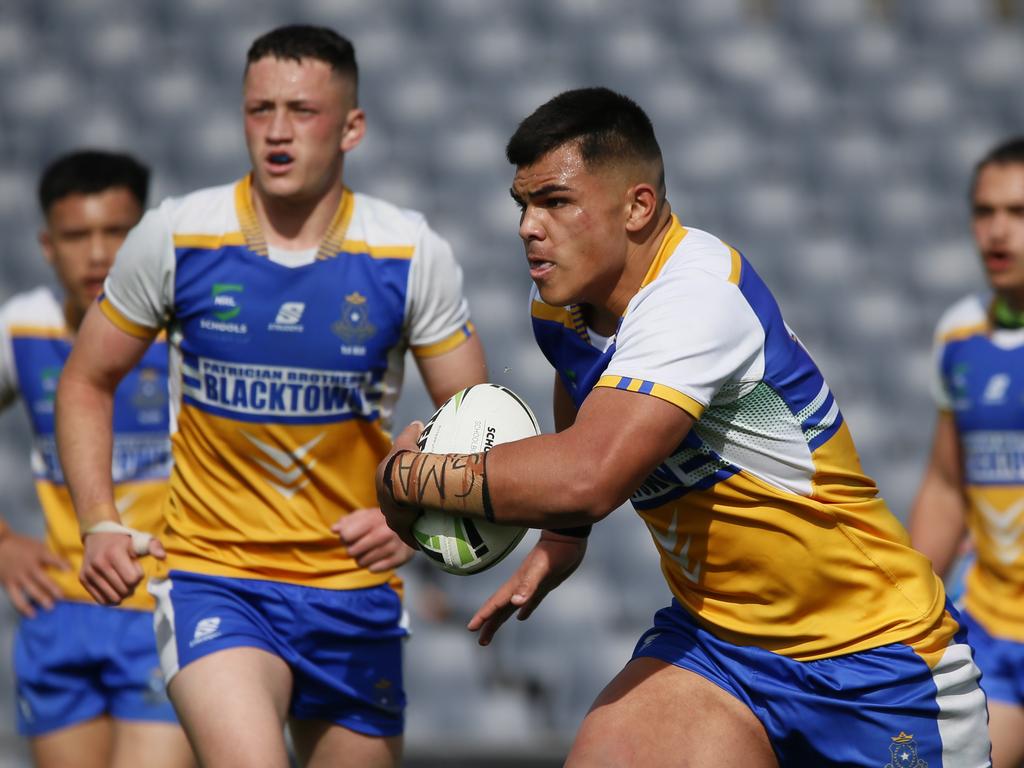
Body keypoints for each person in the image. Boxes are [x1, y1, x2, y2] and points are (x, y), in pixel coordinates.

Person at [376, 87, 992, 767]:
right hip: (719, 647)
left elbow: (588, 476)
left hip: (871, 663)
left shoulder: (695, 298)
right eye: (522, 205)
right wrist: (562, 535)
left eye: (554, 201)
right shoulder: (564, 307)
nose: (528, 226)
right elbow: (578, 378)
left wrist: (407, 476)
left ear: (639, 206)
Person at [54, 25, 486, 768]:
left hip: (355, 593)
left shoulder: (410, 252)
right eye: (260, 110)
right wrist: (99, 520)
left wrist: (420, 521)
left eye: (302, 111)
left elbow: (479, 422)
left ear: (352, 126)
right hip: (214, 581)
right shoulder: (178, 235)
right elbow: (87, 380)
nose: (277, 133)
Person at [0, 150, 193, 767]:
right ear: (47, 245)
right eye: (77, 235)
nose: (99, 253)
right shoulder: (20, 328)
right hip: (60, 611)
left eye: (118, 232)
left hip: (168, 606)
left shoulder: (194, 327)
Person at [909, 137, 1024, 768]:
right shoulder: (959, 332)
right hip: (994, 632)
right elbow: (949, 484)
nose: (997, 231)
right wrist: (911, 613)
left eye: (1018, 212)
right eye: (985, 212)